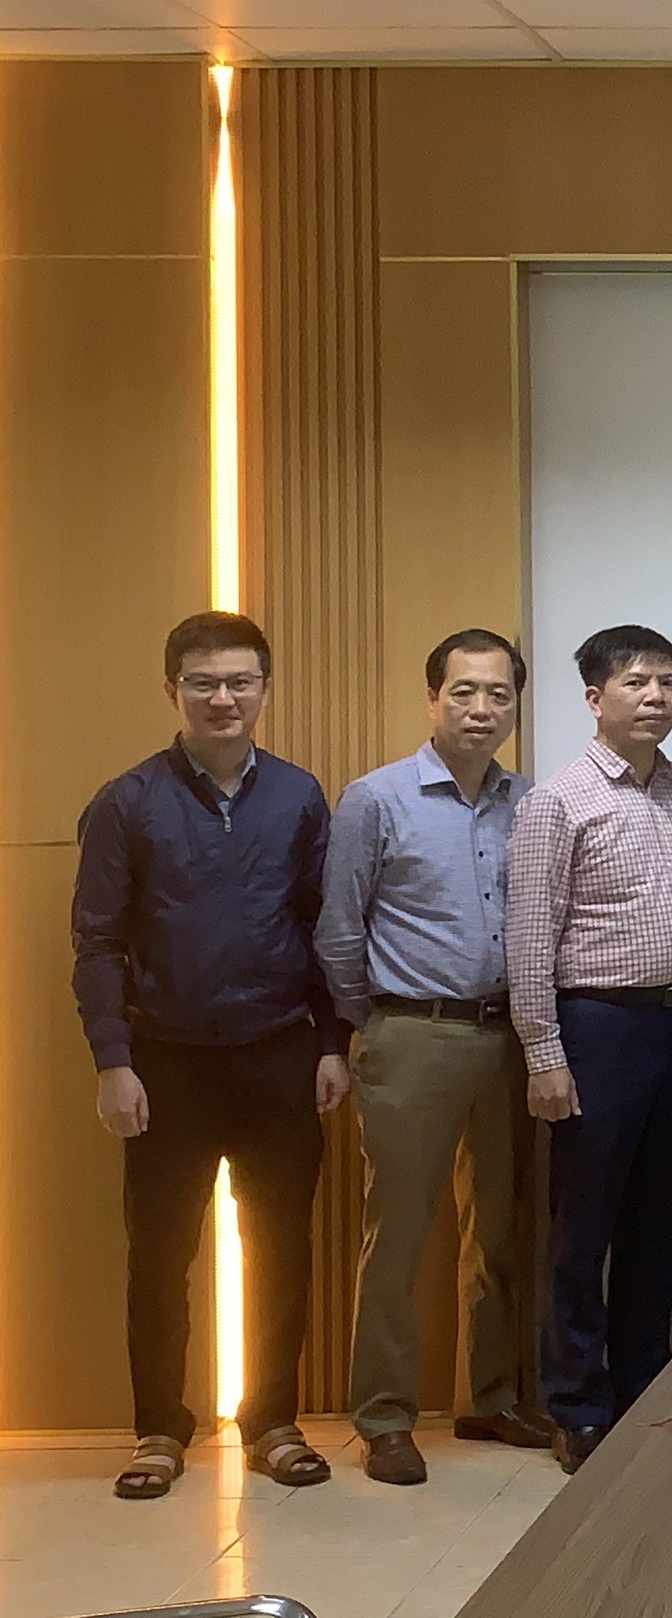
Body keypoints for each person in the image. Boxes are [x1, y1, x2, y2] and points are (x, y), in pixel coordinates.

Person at [73, 611, 348, 1500]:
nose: (223, 698)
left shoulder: (299, 795)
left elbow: (322, 928)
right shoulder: (126, 802)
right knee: (159, 1256)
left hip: (278, 1054)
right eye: (204, 682)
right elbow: (96, 943)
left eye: (240, 681)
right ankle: (159, 1427)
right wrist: (113, 1061)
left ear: (265, 689)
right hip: (165, 1064)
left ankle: (271, 1422)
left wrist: (332, 1042)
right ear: (172, 690)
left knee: (282, 1249)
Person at [319, 628, 549, 1487]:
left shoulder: (532, 802)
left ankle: (490, 1398)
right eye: (464, 691)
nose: (482, 709)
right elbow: (339, 930)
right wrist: (371, 1021)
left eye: (498, 694)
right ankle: (384, 1417)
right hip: (411, 1034)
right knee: (401, 1231)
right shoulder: (376, 799)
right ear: (433, 698)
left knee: (501, 1227)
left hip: (509, 1036)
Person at [505, 625, 672, 1475]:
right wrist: (544, 1054)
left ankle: (642, 1388)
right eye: (636, 682)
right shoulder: (559, 801)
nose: (655, 696)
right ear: (595, 699)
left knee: (661, 1227)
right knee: (582, 1229)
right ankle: (577, 1406)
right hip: (598, 1029)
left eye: (667, 681)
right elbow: (529, 939)